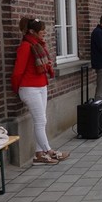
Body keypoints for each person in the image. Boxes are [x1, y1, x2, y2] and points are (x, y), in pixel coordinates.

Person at [11, 17, 69, 165]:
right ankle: (49, 150)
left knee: (41, 121)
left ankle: (38, 155)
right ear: (32, 31)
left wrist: (47, 65)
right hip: (29, 88)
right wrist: (17, 89)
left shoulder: (39, 45)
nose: (44, 32)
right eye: (42, 30)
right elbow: (18, 71)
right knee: (40, 120)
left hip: (41, 85)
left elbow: (43, 65)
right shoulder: (25, 46)